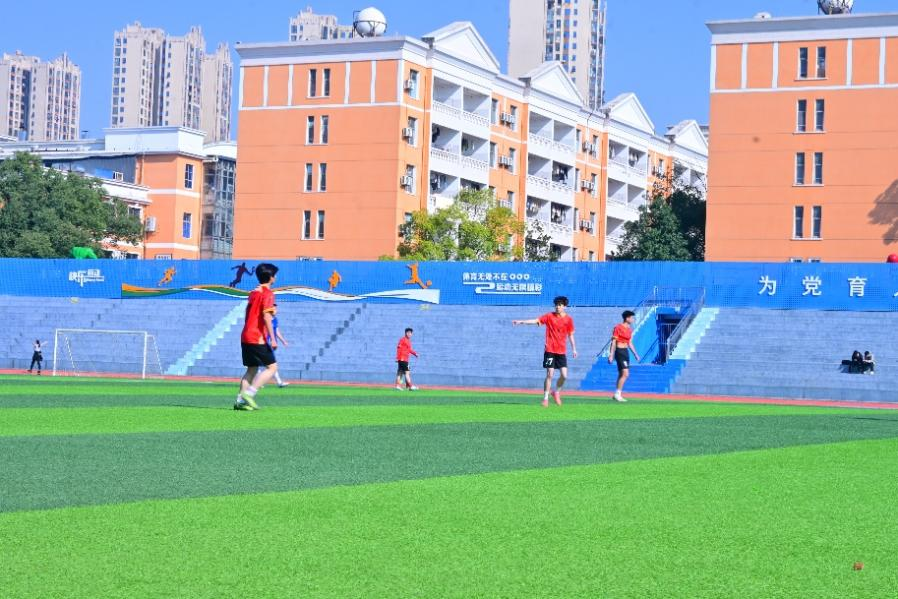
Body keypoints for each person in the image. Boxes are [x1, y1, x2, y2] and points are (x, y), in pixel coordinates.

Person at [512, 296, 578, 407]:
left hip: (561, 351)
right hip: (550, 350)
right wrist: (521, 321)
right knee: (550, 374)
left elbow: (570, 335)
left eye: (560, 305)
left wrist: (574, 349)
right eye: (556, 305)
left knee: (564, 375)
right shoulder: (549, 316)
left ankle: (556, 392)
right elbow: (536, 321)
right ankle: (545, 398)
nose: (557, 307)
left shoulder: (569, 320)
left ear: (565, 307)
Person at [234, 263, 280, 411]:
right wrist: (273, 339)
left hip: (246, 335)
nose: (276, 277)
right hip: (257, 336)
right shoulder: (268, 293)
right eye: (275, 275)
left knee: (251, 369)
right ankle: (250, 394)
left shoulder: (253, 292)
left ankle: (239, 401)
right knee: (272, 368)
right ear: (270, 277)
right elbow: (266, 317)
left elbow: (248, 313)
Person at [608, 310, 641, 403]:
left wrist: (635, 354)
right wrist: (611, 354)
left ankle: (617, 394)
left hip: (625, 352)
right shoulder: (618, 327)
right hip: (619, 351)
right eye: (632, 318)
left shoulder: (629, 330)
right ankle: (618, 394)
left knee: (621, 374)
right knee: (625, 374)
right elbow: (614, 342)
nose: (633, 319)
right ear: (627, 318)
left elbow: (630, 343)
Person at [268, 304, 290, 388]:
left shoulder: (275, 319)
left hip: (272, 344)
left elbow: (277, 331)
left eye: (276, 309)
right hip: (266, 344)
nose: (276, 310)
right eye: (274, 309)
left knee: (267, 364)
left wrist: (283, 341)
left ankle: (256, 381)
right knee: (272, 363)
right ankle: (279, 382)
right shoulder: (266, 319)